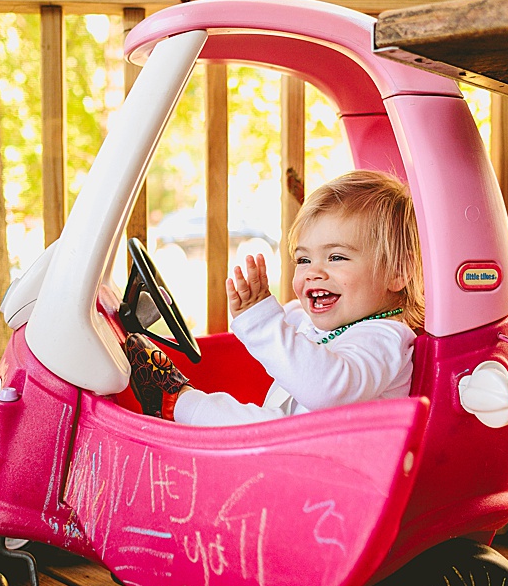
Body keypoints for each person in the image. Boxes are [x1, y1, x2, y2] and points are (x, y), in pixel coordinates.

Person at [126, 170, 423, 424]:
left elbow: (326, 388)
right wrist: (257, 310)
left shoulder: (385, 338)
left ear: (398, 271)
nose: (313, 272)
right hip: (296, 451)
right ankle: (177, 404)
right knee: (259, 420)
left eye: (336, 257)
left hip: (323, 465)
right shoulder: (332, 321)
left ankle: (176, 403)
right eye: (303, 260)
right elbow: (293, 321)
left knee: (249, 423)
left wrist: (263, 323)